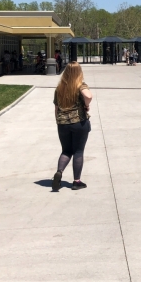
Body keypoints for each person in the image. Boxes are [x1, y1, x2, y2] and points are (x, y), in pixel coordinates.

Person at [52, 62, 93, 192]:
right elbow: (88, 96)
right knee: (78, 151)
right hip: (78, 122)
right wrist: (86, 105)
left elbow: (56, 108)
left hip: (63, 123)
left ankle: (59, 171)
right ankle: (76, 181)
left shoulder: (59, 88)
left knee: (66, 150)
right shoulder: (80, 85)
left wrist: (58, 121)